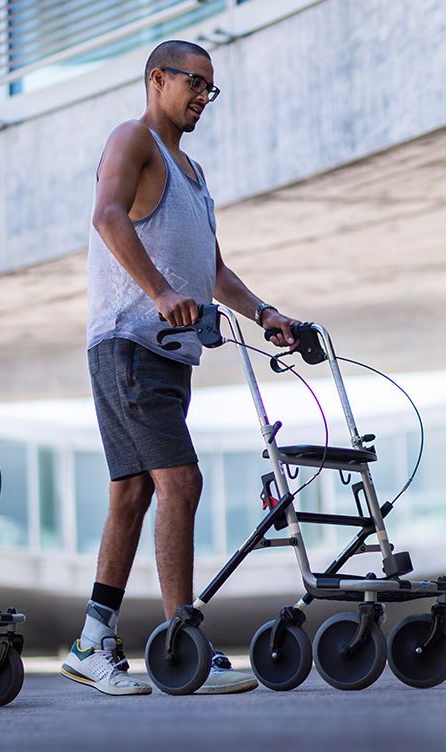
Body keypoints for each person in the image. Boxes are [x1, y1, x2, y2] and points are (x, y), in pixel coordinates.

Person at [61, 40, 304, 697]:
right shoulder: (132, 139)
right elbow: (108, 216)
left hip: (168, 356)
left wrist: (264, 313)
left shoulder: (192, 174)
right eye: (192, 82)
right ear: (157, 79)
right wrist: (160, 292)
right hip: (130, 342)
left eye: (209, 88)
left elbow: (215, 270)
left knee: (134, 493)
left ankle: (92, 639)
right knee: (182, 482)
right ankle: (182, 639)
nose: (201, 96)